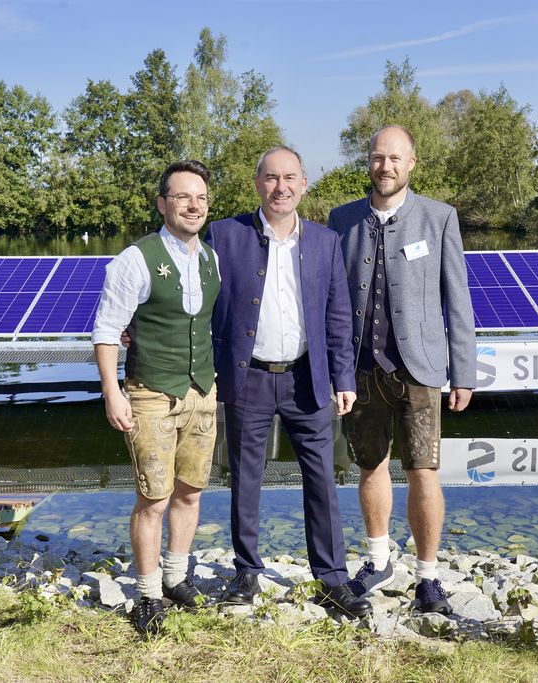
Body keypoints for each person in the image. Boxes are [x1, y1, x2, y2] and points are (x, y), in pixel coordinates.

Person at [205, 145, 372, 619]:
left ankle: (332, 579)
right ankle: (246, 572)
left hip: (308, 379)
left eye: (290, 178)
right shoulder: (224, 235)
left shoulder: (324, 241)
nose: (281, 187)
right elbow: (191, 293)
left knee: (321, 479)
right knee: (245, 478)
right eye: (271, 178)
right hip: (247, 378)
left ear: (303, 185)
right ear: (258, 184)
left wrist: (343, 376)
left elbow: (339, 317)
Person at [327, 125, 476, 615]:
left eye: (394, 158)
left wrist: (465, 372)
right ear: (367, 163)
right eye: (376, 157)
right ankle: (378, 558)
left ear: (411, 163)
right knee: (369, 466)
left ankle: (428, 578)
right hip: (361, 368)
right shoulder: (341, 220)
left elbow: (459, 300)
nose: (384, 166)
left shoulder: (440, 218)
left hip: (422, 369)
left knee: (423, 471)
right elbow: (330, 298)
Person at [91, 159, 219, 635]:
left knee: (190, 491)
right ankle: (146, 594)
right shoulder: (135, 259)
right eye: (182, 196)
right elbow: (106, 331)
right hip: (149, 394)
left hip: (202, 392)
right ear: (163, 203)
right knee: (154, 497)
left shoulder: (211, 258)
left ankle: (175, 577)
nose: (193, 205)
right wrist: (112, 393)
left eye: (200, 198)